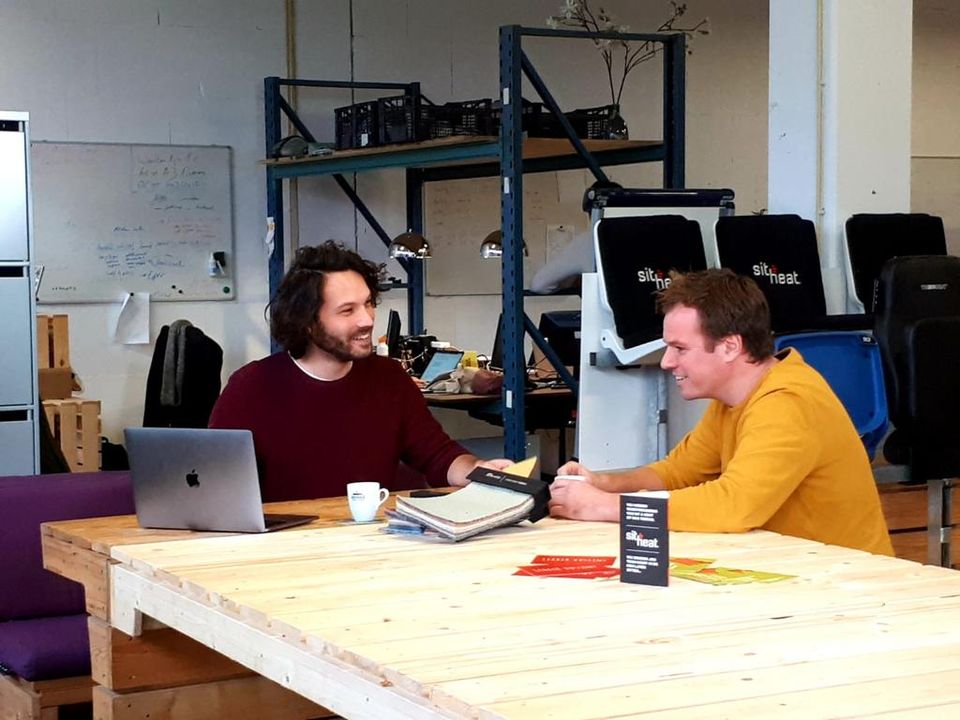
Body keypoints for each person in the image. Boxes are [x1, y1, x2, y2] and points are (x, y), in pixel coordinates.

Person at [549, 268, 894, 556]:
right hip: (798, 572)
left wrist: (604, 506)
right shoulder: (735, 398)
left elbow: (734, 505)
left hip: (850, 587)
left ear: (730, 346)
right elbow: (679, 472)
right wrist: (603, 484)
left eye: (680, 348)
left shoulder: (787, 402)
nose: (667, 362)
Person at [209, 240, 510, 501]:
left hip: (371, 538)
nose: (367, 320)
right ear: (307, 322)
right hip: (283, 542)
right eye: (347, 310)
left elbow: (438, 456)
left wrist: (478, 470)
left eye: (368, 304)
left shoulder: (389, 379)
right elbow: (213, 484)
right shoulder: (250, 388)